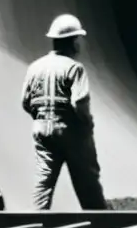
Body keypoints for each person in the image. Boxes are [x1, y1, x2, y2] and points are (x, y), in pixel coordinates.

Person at [21, 14, 108, 210]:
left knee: (43, 181)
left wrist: (42, 119)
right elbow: (79, 102)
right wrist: (86, 124)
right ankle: (99, 221)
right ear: (74, 41)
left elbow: (25, 101)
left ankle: (36, 221)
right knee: (87, 180)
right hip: (71, 131)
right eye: (79, 39)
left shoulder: (35, 67)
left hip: (42, 129)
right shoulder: (75, 68)